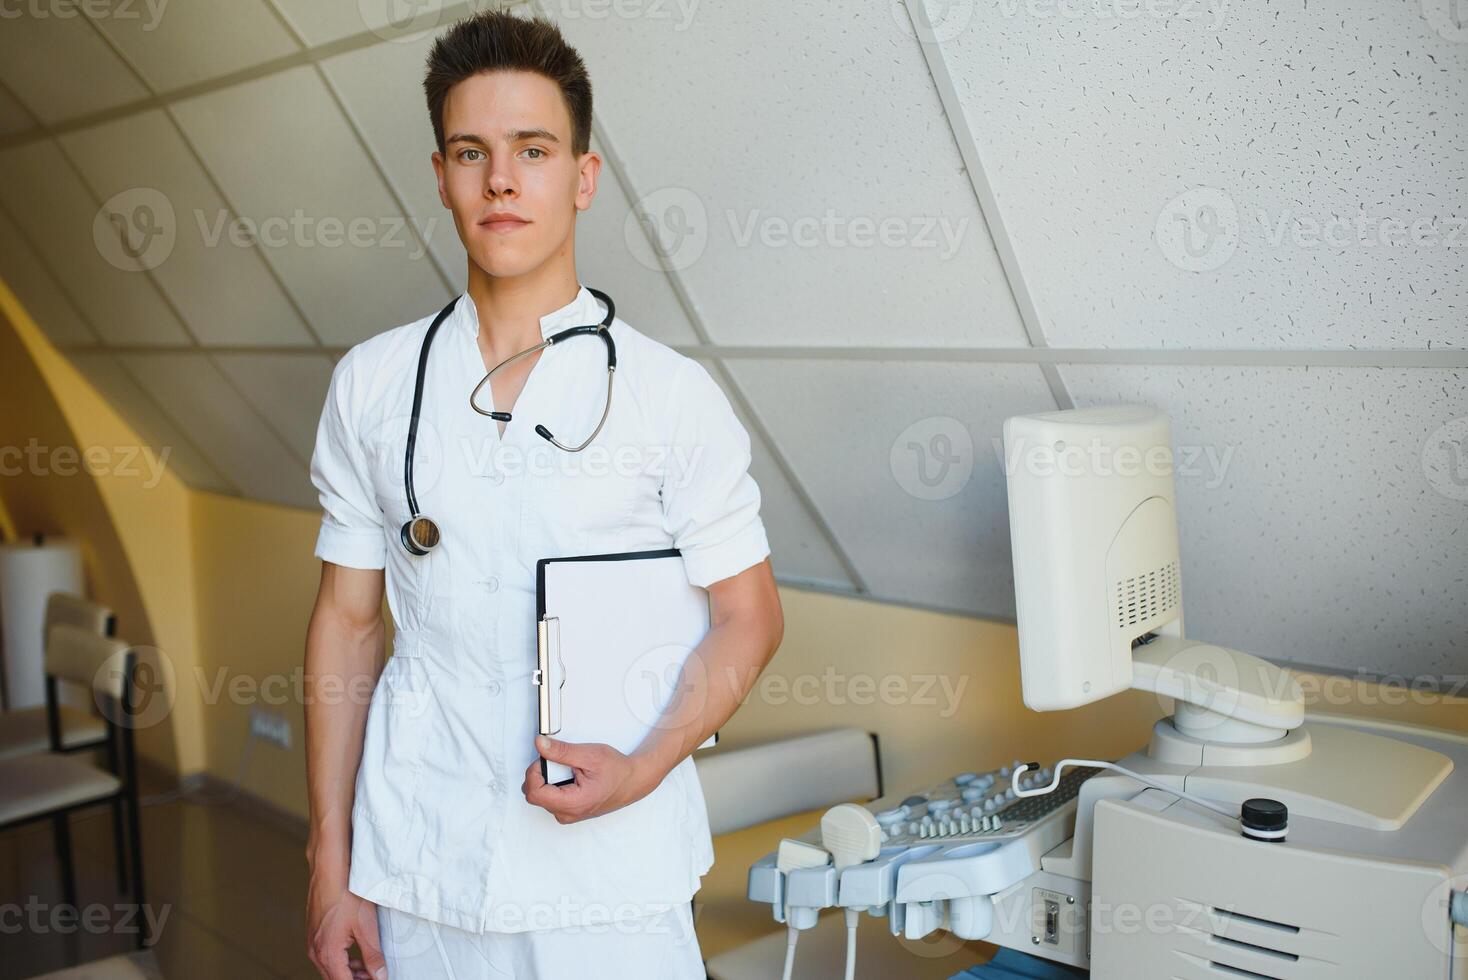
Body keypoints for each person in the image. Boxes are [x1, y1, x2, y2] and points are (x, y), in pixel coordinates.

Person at [302, 11, 784, 979]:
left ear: (583, 176)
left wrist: (645, 767)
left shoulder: (667, 395)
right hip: (418, 859)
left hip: (610, 880)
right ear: (439, 175)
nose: (502, 180)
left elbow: (749, 616)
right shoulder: (373, 382)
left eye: (533, 148)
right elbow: (348, 623)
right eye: (470, 152)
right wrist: (330, 858)